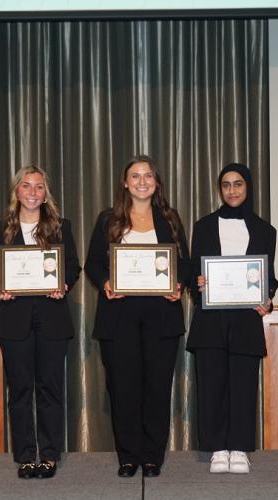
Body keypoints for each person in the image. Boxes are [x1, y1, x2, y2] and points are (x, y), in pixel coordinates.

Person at [85, 155, 189, 478]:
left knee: (157, 389)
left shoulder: (170, 219)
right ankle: (128, 457)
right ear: (124, 182)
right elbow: (93, 264)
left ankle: (152, 456)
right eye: (135, 176)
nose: (141, 181)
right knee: (123, 389)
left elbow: (184, 262)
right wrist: (105, 284)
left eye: (148, 176)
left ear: (156, 182)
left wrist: (179, 285)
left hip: (162, 314)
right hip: (120, 315)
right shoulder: (108, 220)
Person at [0, 165, 81, 480]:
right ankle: (26, 455)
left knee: (50, 388)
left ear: (45, 193)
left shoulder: (60, 226)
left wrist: (63, 285)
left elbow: (72, 266)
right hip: (15, 321)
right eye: (26, 186)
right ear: (17, 191)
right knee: (21, 390)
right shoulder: (3, 229)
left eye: (39, 186)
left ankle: (49, 455)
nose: (32, 192)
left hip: (52, 318)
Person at [187, 163, 278, 474]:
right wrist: (197, 283)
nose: (232, 190)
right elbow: (192, 272)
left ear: (248, 187)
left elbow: (271, 278)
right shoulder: (203, 226)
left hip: (245, 319)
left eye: (238, 184)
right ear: (220, 189)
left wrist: (268, 298)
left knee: (242, 384)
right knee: (211, 384)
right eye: (226, 185)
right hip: (211, 319)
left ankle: (239, 447)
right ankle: (217, 449)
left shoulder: (266, 230)